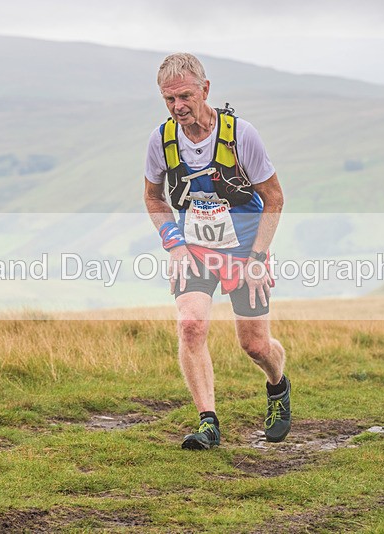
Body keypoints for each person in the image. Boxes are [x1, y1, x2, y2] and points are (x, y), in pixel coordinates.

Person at [143, 53, 290, 449]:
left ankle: (277, 385)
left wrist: (258, 258)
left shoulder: (242, 135)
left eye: (185, 96)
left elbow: (274, 198)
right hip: (193, 249)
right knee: (190, 324)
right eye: (169, 100)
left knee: (255, 345)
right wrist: (173, 244)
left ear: (205, 90)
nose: (178, 107)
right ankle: (208, 422)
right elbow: (153, 198)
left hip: (245, 248)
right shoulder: (161, 140)